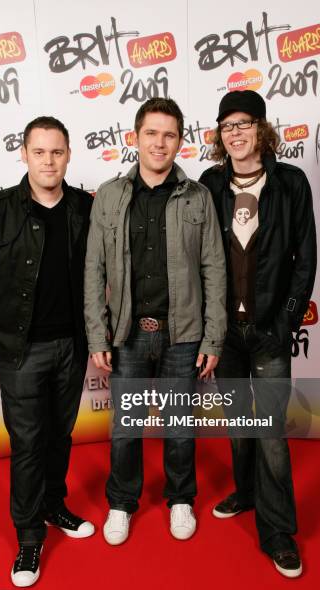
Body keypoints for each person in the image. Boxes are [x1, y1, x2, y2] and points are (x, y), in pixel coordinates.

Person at [84, 97, 227, 545]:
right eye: (151, 133)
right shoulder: (109, 195)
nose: (159, 143)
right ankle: (121, 503)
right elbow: (94, 270)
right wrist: (96, 334)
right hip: (126, 335)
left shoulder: (199, 196)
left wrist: (213, 338)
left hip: (182, 336)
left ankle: (181, 498)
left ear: (179, 141)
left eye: (169, 135)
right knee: (125, 428)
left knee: (181, 428)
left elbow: (214, 269)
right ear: (135, 137)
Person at [0, 116, 94, 587]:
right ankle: (27, 538)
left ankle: (53, 505)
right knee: (27, 444)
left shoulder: (84, 207)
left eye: (56, 152)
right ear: (24, 154)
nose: (48, 160)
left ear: (68, 154)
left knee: (60, 434)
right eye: (39, 152)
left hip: (71, 347)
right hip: (21, 351)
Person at [199, 90, 316, 578]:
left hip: (269, 330)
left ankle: (278, 533)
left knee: (269, 433)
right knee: (238, 424)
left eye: (244, 123)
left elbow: (304, 257)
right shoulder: (209, 184)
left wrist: (287, 317)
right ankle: (246, 492)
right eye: (227, 125)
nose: (236, 132)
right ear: (220, 136)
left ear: (262, 130)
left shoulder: (291, 183)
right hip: (225, 332)